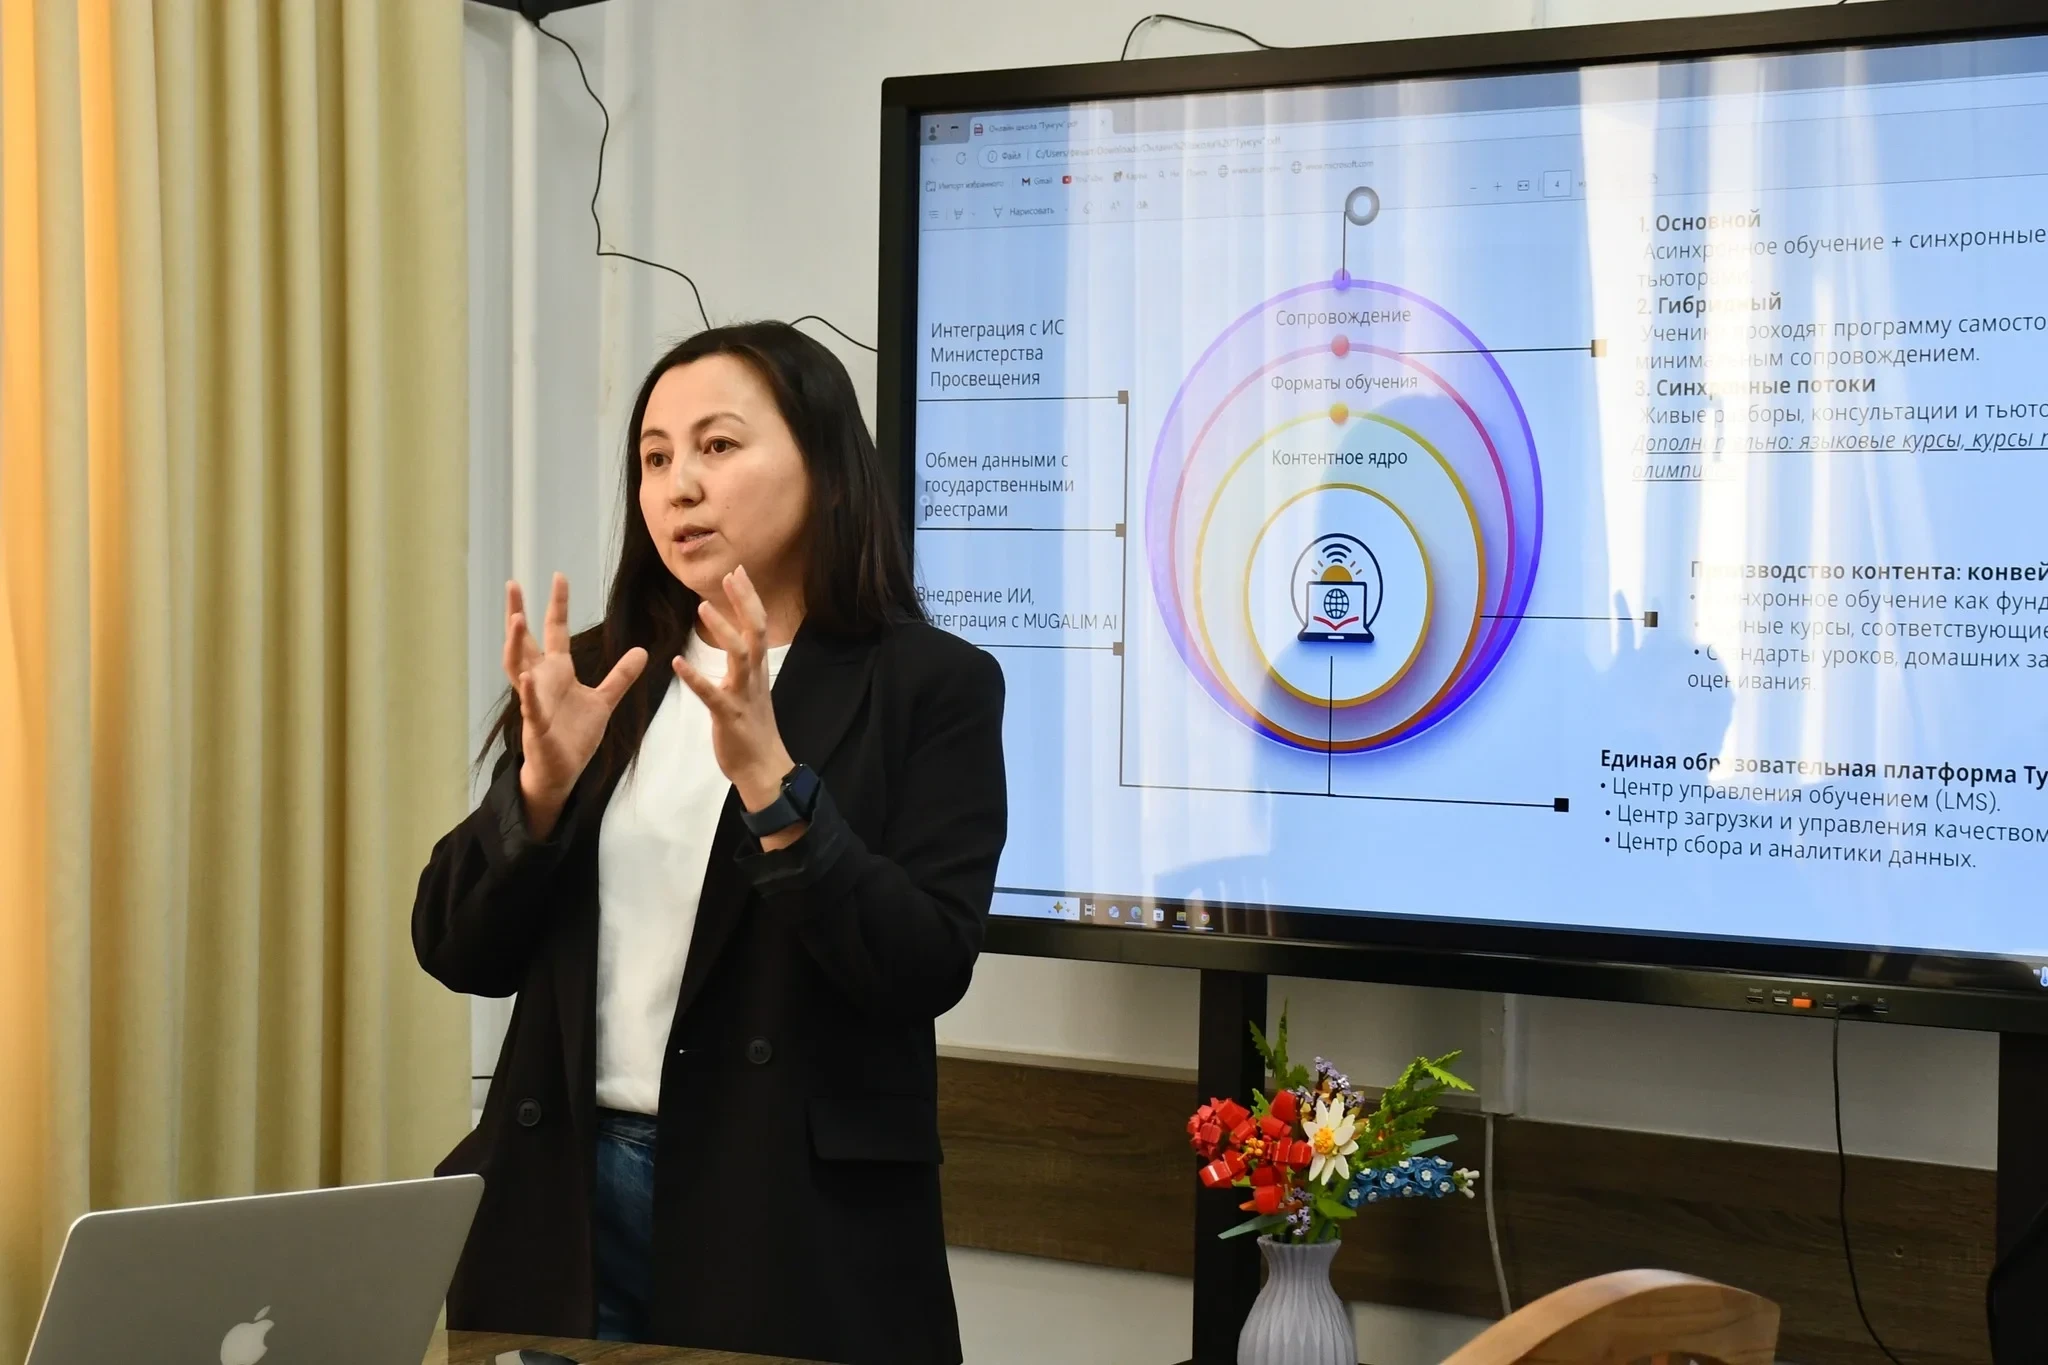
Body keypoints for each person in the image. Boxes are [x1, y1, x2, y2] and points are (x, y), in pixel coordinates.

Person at [411, 322, 1007, 1365]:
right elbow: (457, 947)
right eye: (654, 458)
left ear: (825, 469)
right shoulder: (601, 675)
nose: (678, 485)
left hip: (784, 1220)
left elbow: (923, 963)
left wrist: (775, 788)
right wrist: (539, 793)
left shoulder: (930, 685)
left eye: (718, 446)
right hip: (563, 1199)